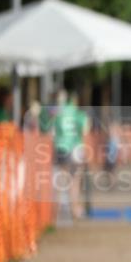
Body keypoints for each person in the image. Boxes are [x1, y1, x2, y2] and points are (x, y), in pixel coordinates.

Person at [49, 89, 91, 219]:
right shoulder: (79, 114)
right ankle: (74, 209)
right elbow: (85, 132)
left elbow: (50, 130)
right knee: (75, 180)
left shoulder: (57, 112)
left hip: (60, 147)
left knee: (61, 178)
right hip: (75, 148)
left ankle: (58, 210)